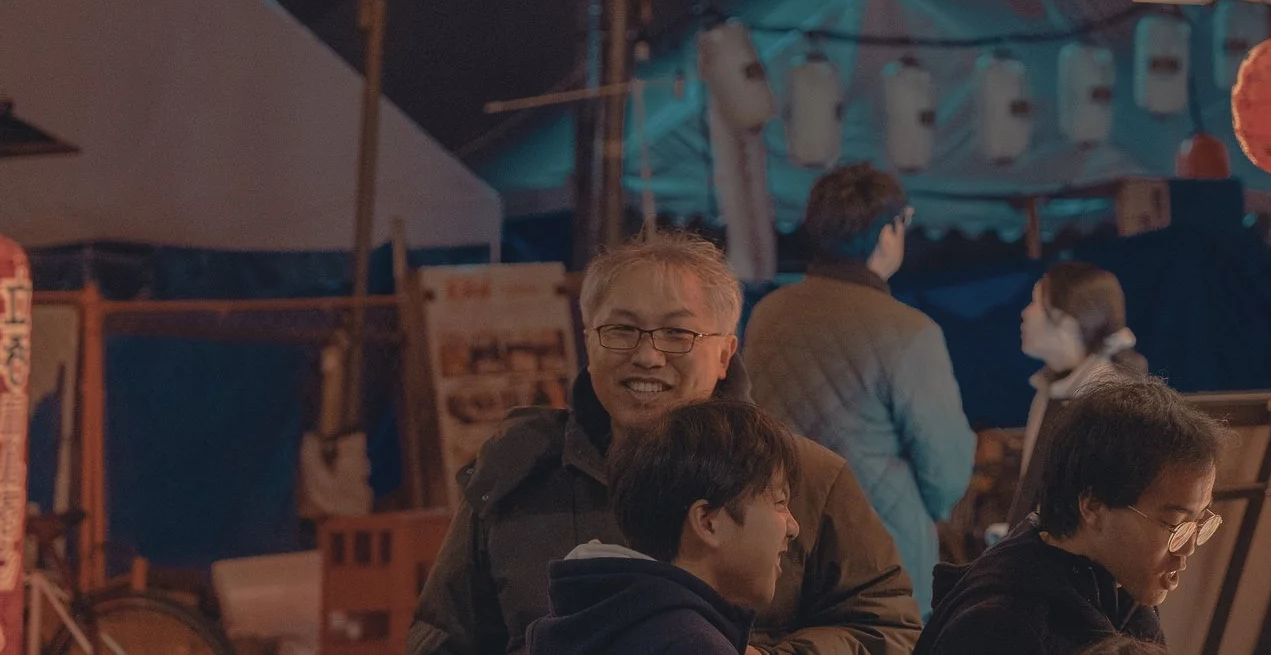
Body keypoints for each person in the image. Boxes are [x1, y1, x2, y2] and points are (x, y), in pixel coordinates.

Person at [410, 229, 920, 655]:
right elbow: (441, 637)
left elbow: (890, 629)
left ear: (725, 355)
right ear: (588, 339)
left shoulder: (807, 477)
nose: (648, 357)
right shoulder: (519, 474)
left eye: (678, 335)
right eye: (622, 331)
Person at [746, 166, 977, 613]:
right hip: (883, 556)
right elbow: (946, 471)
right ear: (888, 231)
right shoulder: (909, 332)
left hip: (782, 547)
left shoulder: (767, 315)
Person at [921, 377, 1224, 655]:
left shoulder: (1123, 596)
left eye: (1198, 523)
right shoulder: (999, 627)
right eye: (1174, 523)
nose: (1187, 549)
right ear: (1093, 507)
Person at [526, 400, 802, 655]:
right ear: (707, 522)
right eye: (779, 502)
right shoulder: (689, 644)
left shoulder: (596, 618)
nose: (793, 527)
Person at [1010, 262, 1147, 524]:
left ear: (1069, 321)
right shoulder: (1052, 389)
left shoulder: (1110, 395)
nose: (1026, 314)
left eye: (1037, 303)